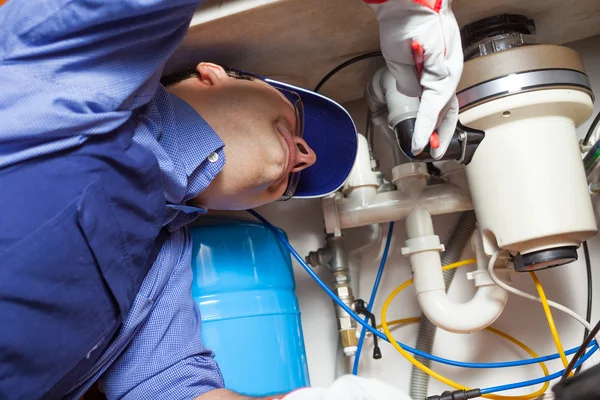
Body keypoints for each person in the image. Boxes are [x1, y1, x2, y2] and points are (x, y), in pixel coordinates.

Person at [0, 0, 462, 398]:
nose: (305, 155)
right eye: (295, 120)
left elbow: (167, 387)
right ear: (213, 75)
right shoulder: (86, 74)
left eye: (295, 184)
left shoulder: (161, 265)